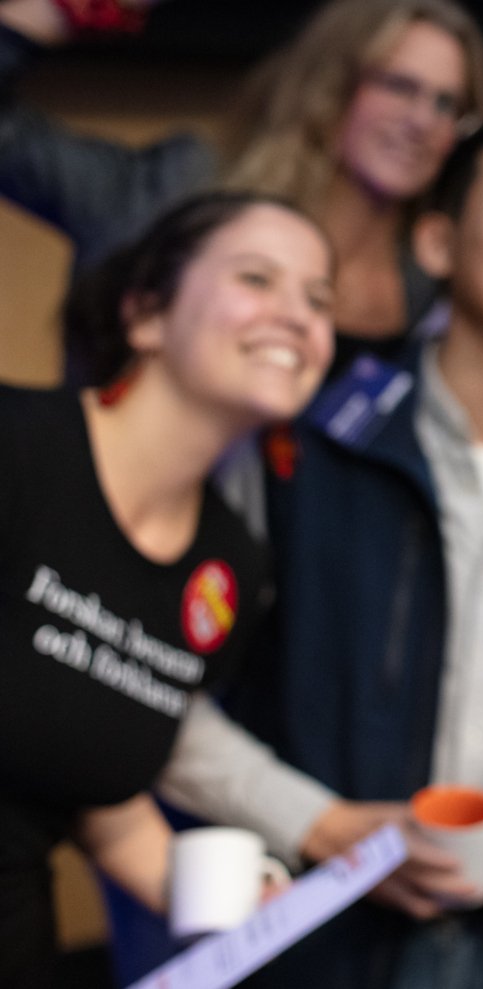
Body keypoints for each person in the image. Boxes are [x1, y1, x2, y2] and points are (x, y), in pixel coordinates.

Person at [153, 121, 483, 989]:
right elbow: (161, 692)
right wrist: (320, 825)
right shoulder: (299, 448)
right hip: (297, 924)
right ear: (437, 240)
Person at [0, 190, 334, 987]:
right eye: (258, 278)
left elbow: (98, 796)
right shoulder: (19, 446)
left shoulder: (229, 563)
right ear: (146, 315)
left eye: (319, 299)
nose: (297, 315)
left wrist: (227, 901)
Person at [0, 0, 483, 379]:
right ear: (330, 84)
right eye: (398, 86)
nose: (421, 121)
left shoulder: (436, 268)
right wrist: (47, 13)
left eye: (447, 103)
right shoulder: (186, 187)